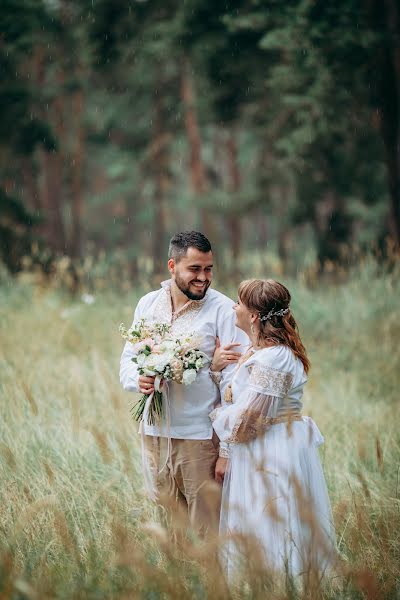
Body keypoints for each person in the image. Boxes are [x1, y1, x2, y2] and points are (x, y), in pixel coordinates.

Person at [120, 231, 247, 535]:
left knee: (205, 532)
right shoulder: (148, 304)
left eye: (209, 269)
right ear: (172, 266)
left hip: (199, 438)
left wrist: (227, 450)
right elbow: (128, 358)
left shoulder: (222, 310)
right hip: (153, 433)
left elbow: (235, 384)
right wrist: (138, 380)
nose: (203, 278)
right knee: (168, 528)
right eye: (195, 269)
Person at [210, 279, 336, 580]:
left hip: (272, 449)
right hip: (258, 448)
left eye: (239, 303)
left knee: (275, 525)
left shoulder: (276, 357)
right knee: (256, 522)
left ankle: (283, 585)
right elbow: (238, 399)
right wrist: (216, 370)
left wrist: (217, 415)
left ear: (253, 315)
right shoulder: (257, 352)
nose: (234, 307)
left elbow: (249, 421)